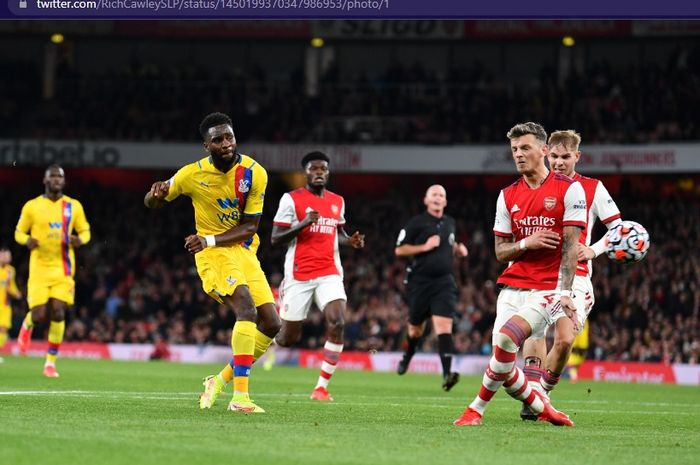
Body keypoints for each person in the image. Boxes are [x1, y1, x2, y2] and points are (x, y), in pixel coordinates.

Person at [144, 112, 280, 413]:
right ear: (206, 146)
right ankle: (240, 398)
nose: (226, 143)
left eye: (229, 136)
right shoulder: (191, 174)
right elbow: (152, 202)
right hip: (214, 255)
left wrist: (207, 238)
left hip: (242, 250)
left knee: (272, 323)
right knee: (246, 309)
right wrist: (155, 195)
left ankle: (218, 381)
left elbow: (250, 227)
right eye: (217, 139)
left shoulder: (254, 173)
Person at [453, 122, 586, 427]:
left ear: (543, 150)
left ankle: (475, 410)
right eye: (514, 149)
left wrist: (566, 293)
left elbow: (570, 248)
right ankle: (544, 408)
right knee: (501, 358)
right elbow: (501, 252)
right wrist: (528, 242)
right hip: (513, 285)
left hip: (549, 287)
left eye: (525, 148)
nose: (518, 154)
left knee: (509, 338)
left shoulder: (570, 189)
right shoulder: (507, 195)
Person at [519, 129, 622, 420]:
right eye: (554, 156)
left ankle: (542, 391)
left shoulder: (593, 188)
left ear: (577, 156)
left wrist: (595, 249)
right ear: (545, 154)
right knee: (536, 330)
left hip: (574, 275)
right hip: (538, 273)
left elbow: (618, 228)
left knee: (564, 339)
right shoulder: (535, 185)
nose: (560, 162)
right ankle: (533, 398)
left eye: (566, 157)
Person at [270, 151, 365, 401]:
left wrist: (350, 241)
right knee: (286, 339)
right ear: (306, 173)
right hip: (299, 275)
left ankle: (321, 388)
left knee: (338, 322)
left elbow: (336, 233)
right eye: (314, 169)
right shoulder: (291, 200)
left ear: (328, 173)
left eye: (323, 169)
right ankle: (267, 329)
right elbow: (275, 238)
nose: (319, 172)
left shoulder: (338, 201)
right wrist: (303, 224)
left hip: (329, 273)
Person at [15, 165, 91, 377]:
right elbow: (18, 232)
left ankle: (50, 363)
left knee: (58, 311)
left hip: (63, 269)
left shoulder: (73, 206)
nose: (56, 179)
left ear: (64, 182)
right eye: (53, 176)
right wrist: (27, 240)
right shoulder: (32, 206)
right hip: (39, 269)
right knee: (39, 314)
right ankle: (28, 323)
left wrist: (80, 239)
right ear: (45, 180)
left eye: (60, 176)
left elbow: (86, 231)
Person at [394, 184, 468, 391]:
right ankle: (408, 355)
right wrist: (424, 247)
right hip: (419, 282)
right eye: (434, 194)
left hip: (444, 282)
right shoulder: (416, 223)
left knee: (444, 326)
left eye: (441, 195)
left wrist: (458, 250)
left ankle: (446, 374)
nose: (437, 198)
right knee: (415, 329)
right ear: (426, 200)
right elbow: (399, 249)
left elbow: (449, 244)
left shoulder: (450, 223)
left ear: (445, 201)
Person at [0, 247, 22, 363]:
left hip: (4, 305)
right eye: (4, 255)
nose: (7, 258)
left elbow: (11, 286)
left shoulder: (10, 271)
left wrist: (16, 293)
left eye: (8, 256)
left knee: (3, 329)